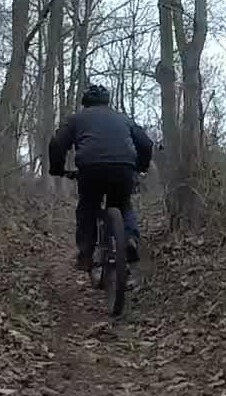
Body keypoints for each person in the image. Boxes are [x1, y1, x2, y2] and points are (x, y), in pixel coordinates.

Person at [48, 84, 154, 270]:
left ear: (85, 103)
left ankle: (86, 255)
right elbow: (146, 143)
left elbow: (57, 144)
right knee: (123, 204)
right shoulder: (123, 118)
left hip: (90, 169)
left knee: (87, 208)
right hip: (124, 168)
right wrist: (140, 167)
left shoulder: (76, 119)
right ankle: (129, 239)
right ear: (107, 101)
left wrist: (57, 169)